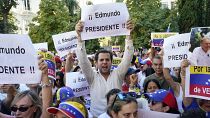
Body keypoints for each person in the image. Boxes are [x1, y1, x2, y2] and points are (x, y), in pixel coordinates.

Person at [75, 20, 134, 117]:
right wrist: (79, 37)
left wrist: (129, 35)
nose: (104, 62)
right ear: (96, 63)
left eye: (107, 59)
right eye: (101, 60)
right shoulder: (92, 77)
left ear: (111, 62)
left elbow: (127, 59)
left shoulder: (118, 74)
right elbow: (83, 60)